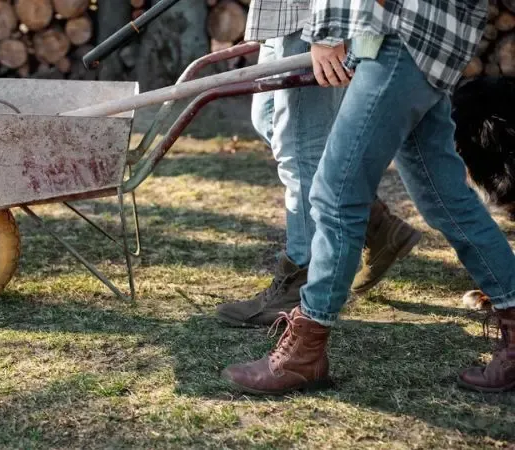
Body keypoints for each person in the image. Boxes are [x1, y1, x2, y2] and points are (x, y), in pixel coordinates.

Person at [222, 0, 515, 394]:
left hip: (399, 31)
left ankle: (303, 355)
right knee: (444, 199)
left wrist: (326, 33)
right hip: (431, 38)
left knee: (336, 197)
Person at [215, 0, 421, 327]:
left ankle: (303, 281)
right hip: (280, 15)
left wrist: (327, 33)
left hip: (310, 17)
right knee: (268, 119)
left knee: (301, 149)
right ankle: (375, 224)